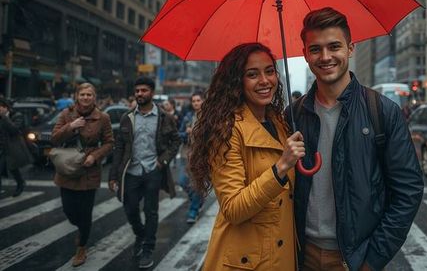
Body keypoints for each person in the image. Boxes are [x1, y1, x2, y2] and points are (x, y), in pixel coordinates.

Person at [289, 7, 423, 271]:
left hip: (354, 258)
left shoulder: (382, 111)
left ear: (350, 49)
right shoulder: (293, 115)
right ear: (305, 54)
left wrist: (372, 261)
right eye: (315, 49)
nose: (325, 57)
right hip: (299, 255)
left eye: (334, 46)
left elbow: (408, 192)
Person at [189, 43, 303, 270]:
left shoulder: (279, 122)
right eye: (252, 74)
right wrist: (280, 168)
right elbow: (233, 208)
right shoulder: (227, 130)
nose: (264, 81)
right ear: (236, 82)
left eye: (269, 71)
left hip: (281, 256)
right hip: (248, 261)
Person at [108, 77, 180, 269]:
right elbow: (119, 148)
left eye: (144, 90)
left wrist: (162, 161)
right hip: (131, 171)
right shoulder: (128, 117)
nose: (139, 94)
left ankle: (148, 248)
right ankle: (140, 234)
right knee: (130, 208)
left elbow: (175, 141)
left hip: (152, 171)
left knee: (151, 211)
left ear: (152, 93)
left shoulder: (165, 117)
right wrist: (113, 176)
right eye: (137, 90)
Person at [51, 83, 114, 267]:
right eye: (82, 94)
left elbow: (110, 143)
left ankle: (81, 248)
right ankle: (81, 229)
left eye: (89, 95)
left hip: (89, 170)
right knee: (69, 211)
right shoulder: (66, 114)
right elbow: (54, 138)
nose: (86, 98)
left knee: (85, 214)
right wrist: (71, 126)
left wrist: (95, 156)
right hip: (68, 167)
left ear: (94, 97)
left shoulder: (103, 117)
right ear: (76, 96)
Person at [177, 91, 205, 223]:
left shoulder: (208, 117)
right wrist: (185, 133)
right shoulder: (188, 116)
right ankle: (198, 199)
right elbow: (180, 134)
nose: (196, 103)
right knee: (182, 181)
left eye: (198, 100)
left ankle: (193, 211)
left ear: (203, 101)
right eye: (194, 101)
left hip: (200, 156)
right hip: (186, 153)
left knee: (196, 184)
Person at [0, 98, 33, 197]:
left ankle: (20, 183)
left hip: (13, 147)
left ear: (6, 108)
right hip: (2, 147)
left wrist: (5, 118)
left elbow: (14, 130)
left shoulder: (17, 116)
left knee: (13, 168)